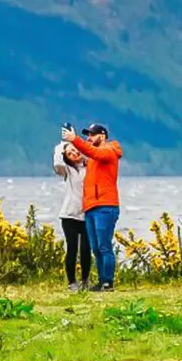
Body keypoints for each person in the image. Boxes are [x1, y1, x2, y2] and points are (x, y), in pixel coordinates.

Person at [61, 122, 123, 291]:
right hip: (91, 206)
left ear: (102, 136)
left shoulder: (109, 150)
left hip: (105, 205)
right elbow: (76, 153)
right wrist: (69, 138)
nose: (89, 138)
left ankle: (108, 282)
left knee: (104, 246)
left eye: (92, 134)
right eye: (87, 135)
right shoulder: (91, 158)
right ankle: (102, 280)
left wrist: (75, 139)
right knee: (96, 248)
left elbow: (92, 151)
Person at [52, 141, 91, 290]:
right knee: (72, 248)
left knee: (86, 249)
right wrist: (61, 146)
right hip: (69, 215)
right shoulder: (67, 170)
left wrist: (75, 142)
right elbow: (57, 163)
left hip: (88, 214)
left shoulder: (90, 166)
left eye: (74, 150)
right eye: (69, 153)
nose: (74, 153)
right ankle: (71, 282)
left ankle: (85, 281)